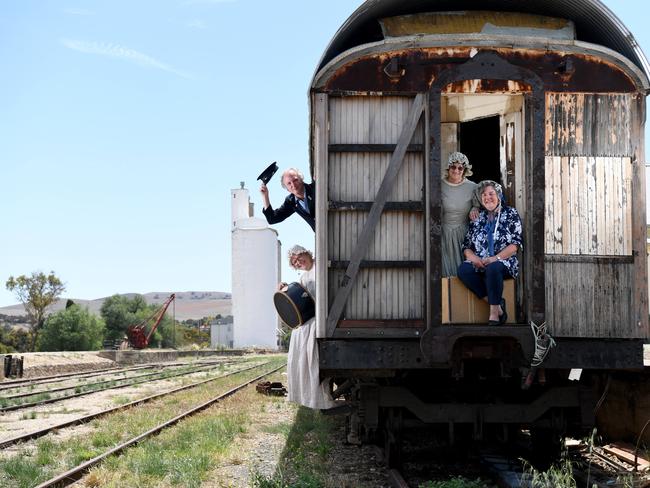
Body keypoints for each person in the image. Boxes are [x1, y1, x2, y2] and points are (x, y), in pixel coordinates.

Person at [457, 180, 523, 325]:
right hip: (481, 261)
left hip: (503, 261)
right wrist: (473, 258)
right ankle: (498, 305)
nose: (487, 197)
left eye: (491, 193)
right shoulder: (477, 216)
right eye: (484, 195)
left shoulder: (510, 213)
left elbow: (515, 245)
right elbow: (466, 245)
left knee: (493, 268)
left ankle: (494, 314)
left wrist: (495, 258)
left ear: (498, 195)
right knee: (464, 270)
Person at [281, 245, 336, 409]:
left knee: (306, 330)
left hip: (325, 312)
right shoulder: (304, 278)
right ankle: (306, 394)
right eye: (294, 263)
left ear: (305, 253)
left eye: (298, 258)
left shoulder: (320, 266)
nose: (298, 262)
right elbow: (299, 297)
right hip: (312, 314)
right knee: (298, 331)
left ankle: (317, 394)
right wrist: (284, 288)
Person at [441, 152, 479, 277]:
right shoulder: (438, 185)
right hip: (444, 234)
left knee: (464, 271)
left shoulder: (472, 187)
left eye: (460, 168)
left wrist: (475, 208)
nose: (456, 170)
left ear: (464, 170)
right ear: (448, 168)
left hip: (463, 234)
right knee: (445, 271)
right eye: (453, 167)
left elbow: (480, 204)